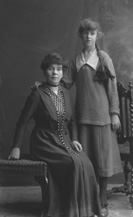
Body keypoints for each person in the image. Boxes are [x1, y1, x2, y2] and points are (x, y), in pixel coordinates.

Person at [8, 53, 102, 217]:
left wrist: (74, 139)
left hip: (64, 140)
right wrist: (16, 147)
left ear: (62, 72)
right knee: (71, 163)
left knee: (86, 163)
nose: (55, 73)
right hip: (44, 142)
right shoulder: (37, 94)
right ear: (44, 72)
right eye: (51, 69)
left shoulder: (65, 93)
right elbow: (22, 122)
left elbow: (71, 121)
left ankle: (86, 209)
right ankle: (68, 210)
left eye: (58, 69)